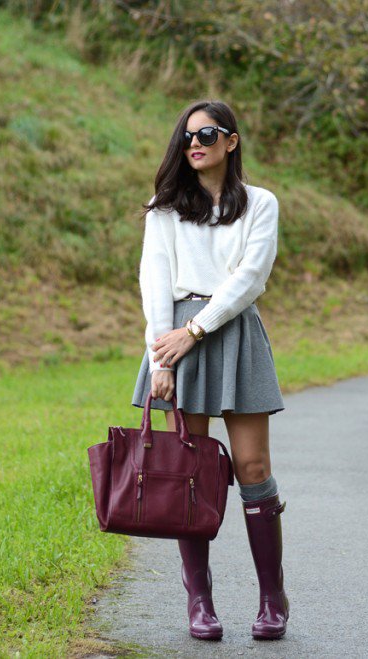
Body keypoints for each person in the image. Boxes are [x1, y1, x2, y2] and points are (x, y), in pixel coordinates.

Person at [130, 99, 289, 641]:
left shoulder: (261, 204)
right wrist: (162, 354)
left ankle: (272, 598)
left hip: (231, 330)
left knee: (252, 465)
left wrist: (196, 330)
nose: (194, 143)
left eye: (207, 133)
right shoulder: (165, 207)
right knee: (190, 469)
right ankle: (200, 601)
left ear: (232, 141)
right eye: (187, 136)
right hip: (175, 338)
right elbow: (154, 279)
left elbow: (251, 278)